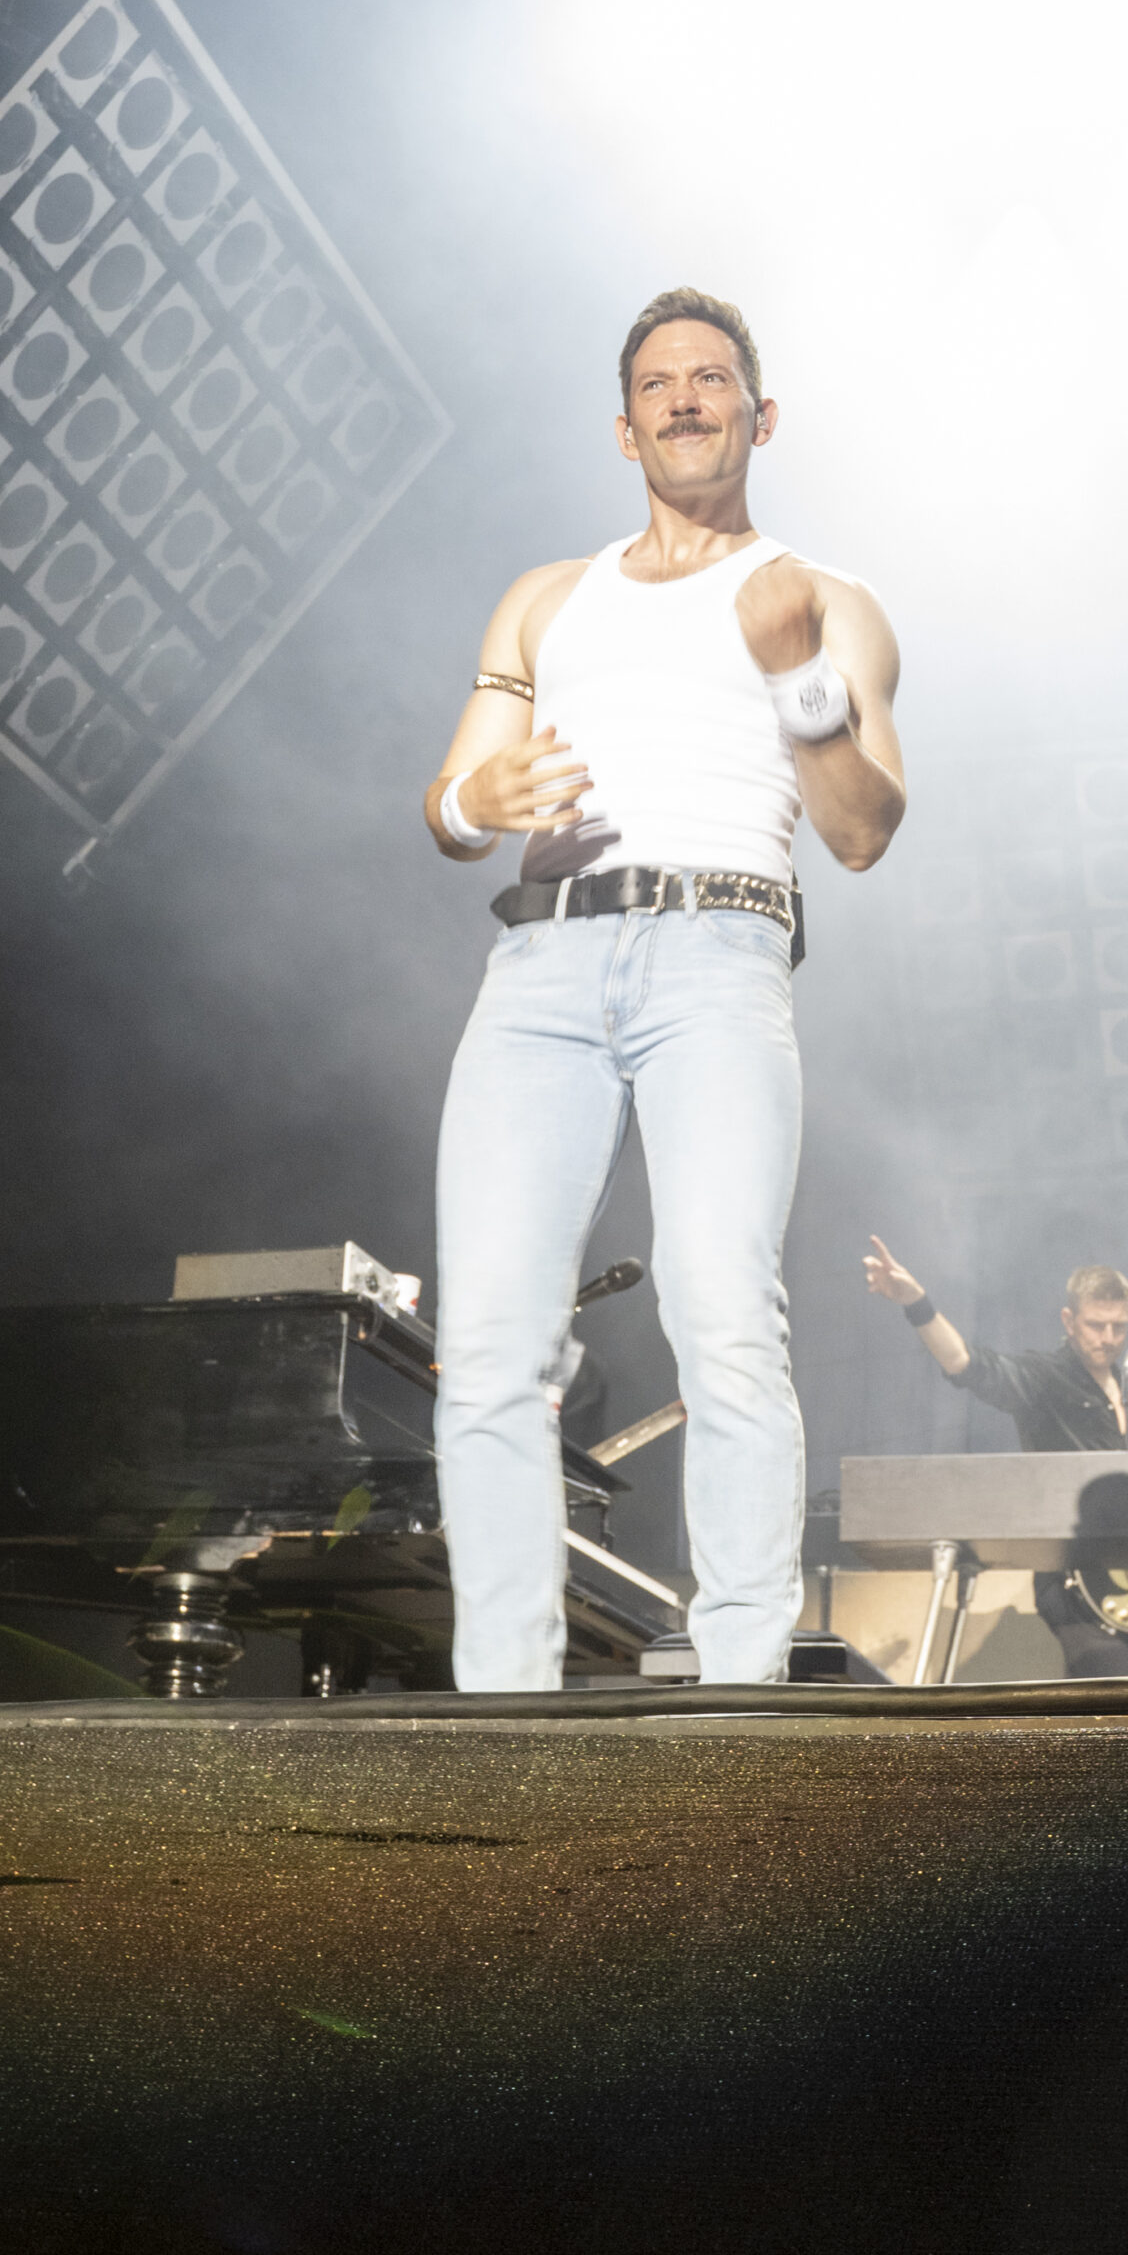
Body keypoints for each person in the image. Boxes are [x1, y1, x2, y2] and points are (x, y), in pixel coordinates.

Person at [425, 289, 906, 1689]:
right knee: (492, 1344)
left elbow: (862, 830)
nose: (685, 396)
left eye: (712, 378)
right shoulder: (546, 599)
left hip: (718, 952)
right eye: (658, 382)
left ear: (762, 416)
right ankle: (503, 1704)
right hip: (542, 963)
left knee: (722, 1312)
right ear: (625, 429)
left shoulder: (827, 601)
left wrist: (795, 673)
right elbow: (451, 805)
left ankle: (741, 1687)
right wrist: (476, 799)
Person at [862, 1241, 1128, 1677]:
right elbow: (965, 1363)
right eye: (1097, 1326)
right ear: (1069, 1321)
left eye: (1119, 1327)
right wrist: (916, 1303)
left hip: (1127, 1577)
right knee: (1109, 1675)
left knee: (1112, 1693)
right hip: (1069, 1575)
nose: (1109, 1338)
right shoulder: (1045, 1378)